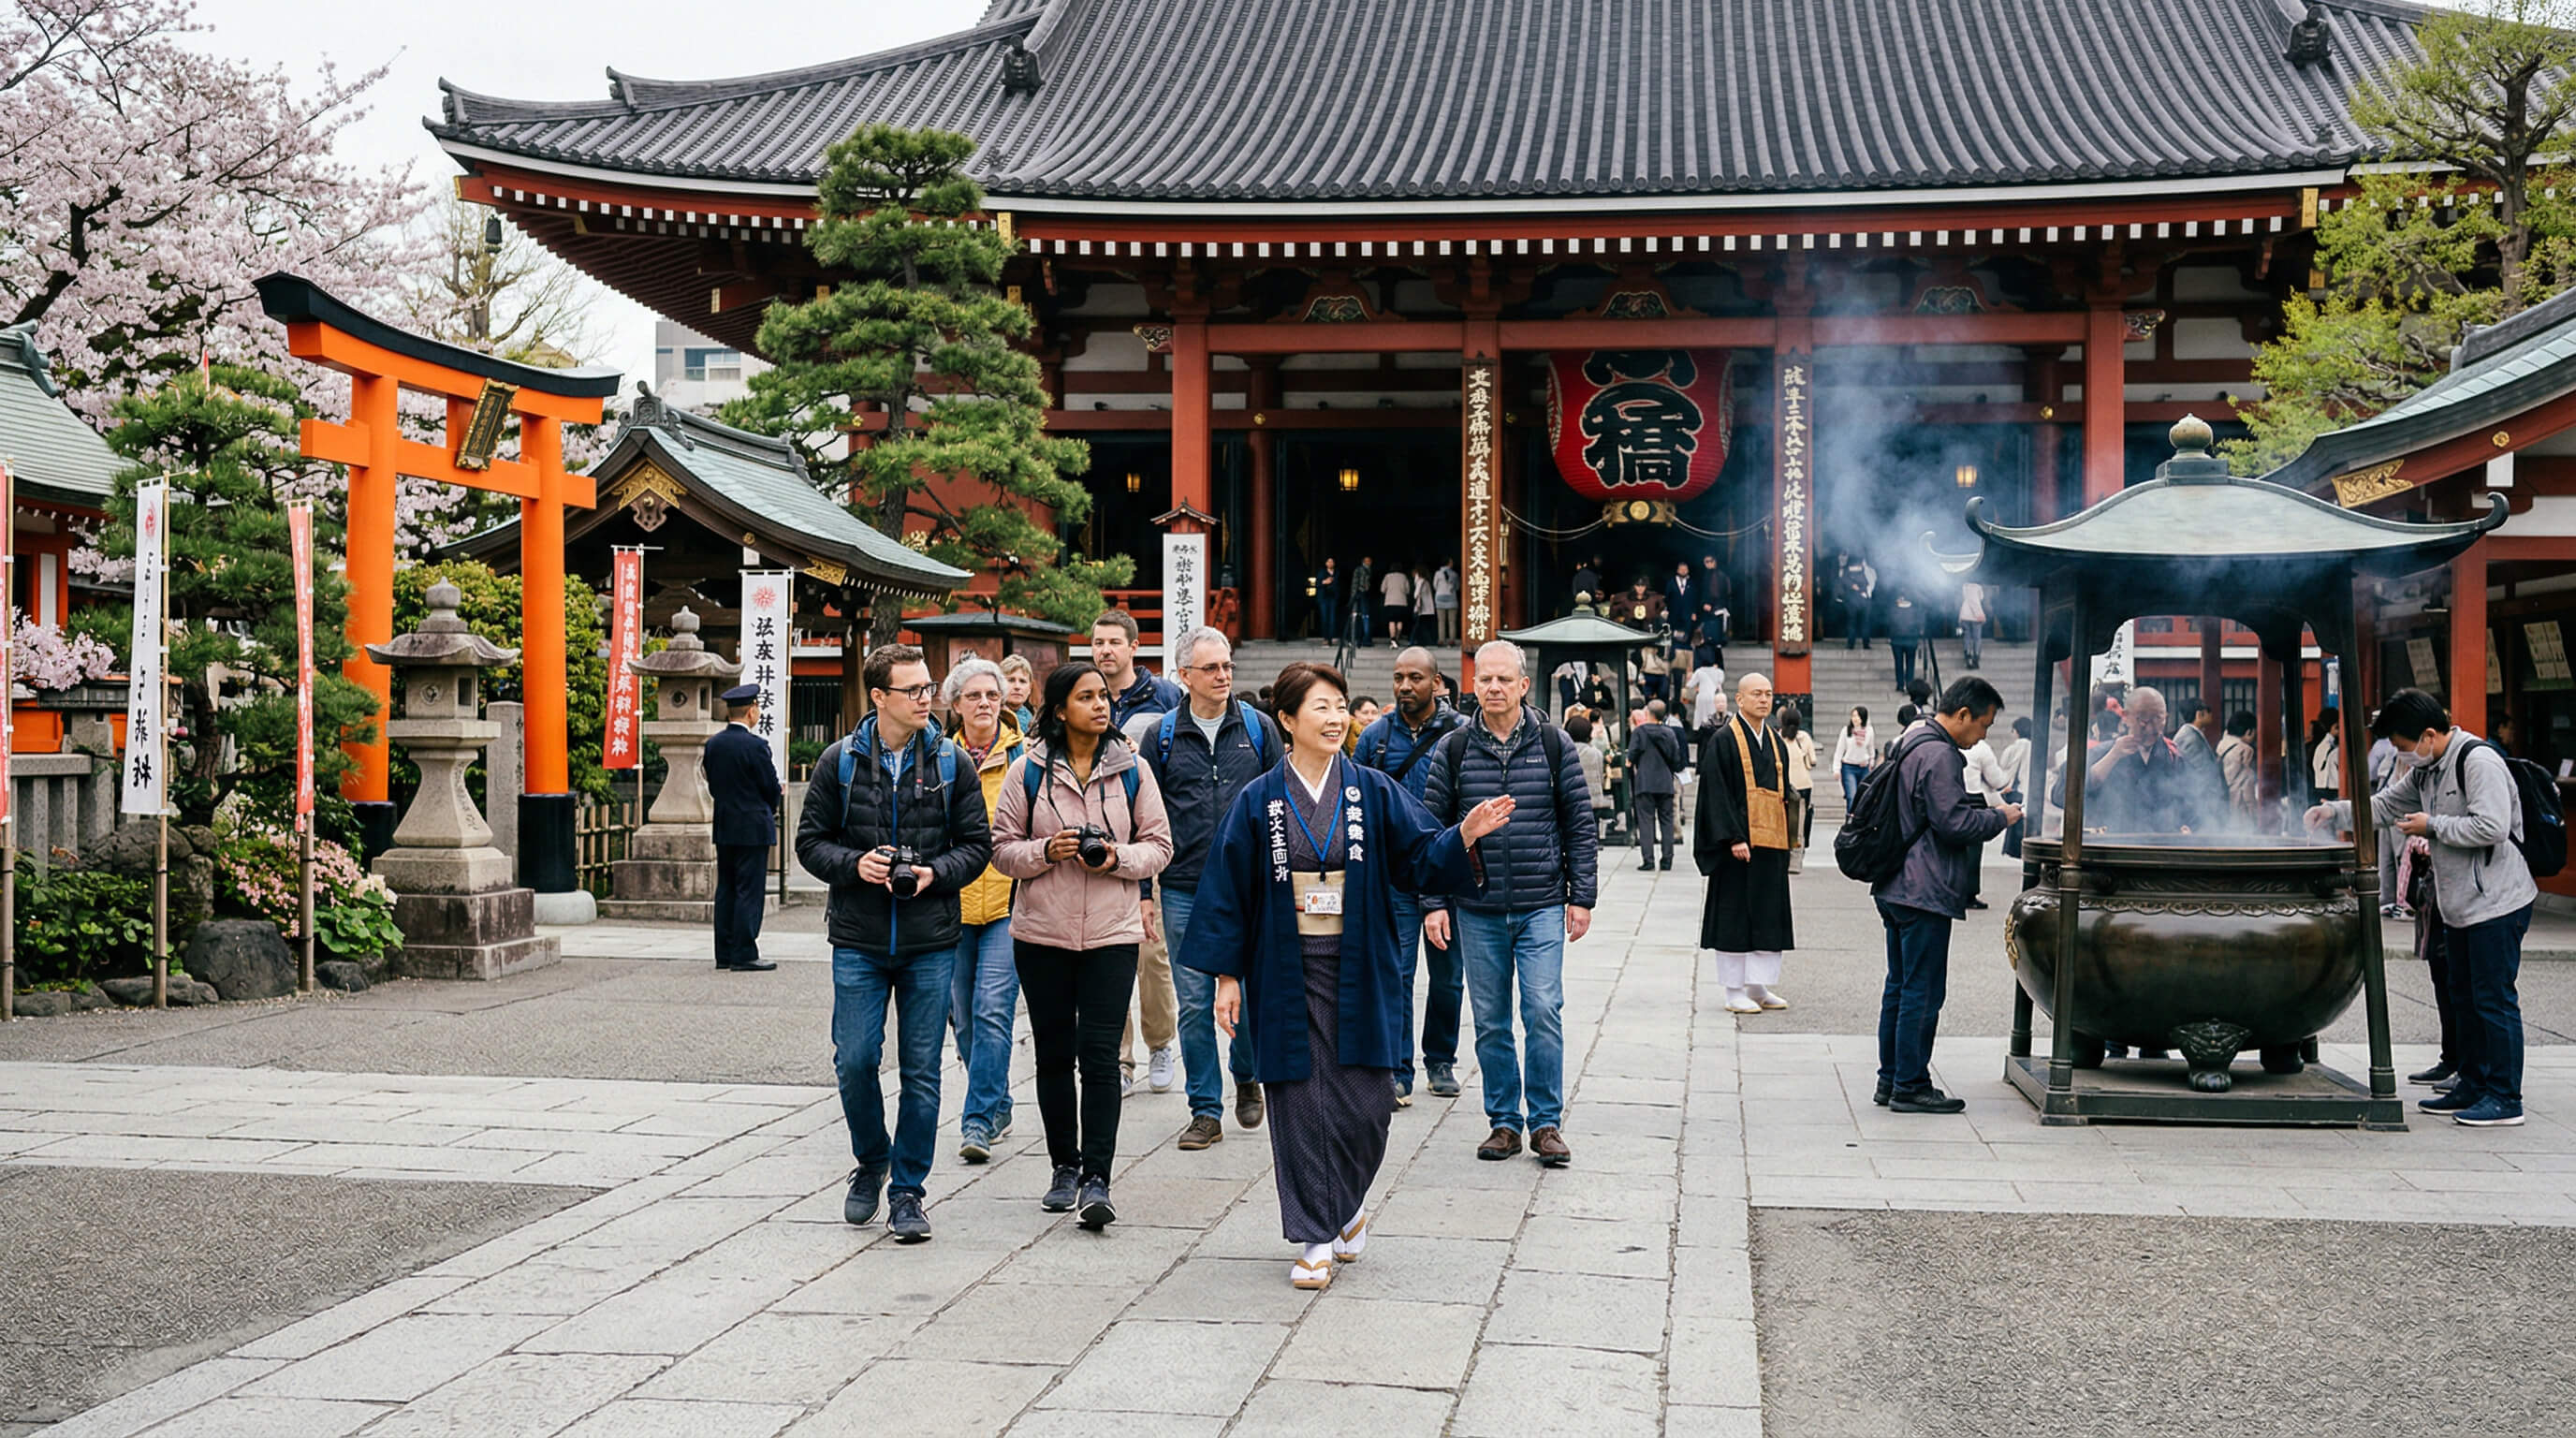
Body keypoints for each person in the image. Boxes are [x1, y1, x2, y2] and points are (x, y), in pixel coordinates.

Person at [1184, 662, 1516, 1290]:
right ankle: (1314, 1235)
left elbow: (1420, 855)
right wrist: (1226, 977)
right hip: (1285, 970)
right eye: (1322, 708)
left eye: (1341, 706)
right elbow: (1227, 890)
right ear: (1287, 720)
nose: (1337, 718)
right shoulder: (1259, 801)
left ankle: (1350, 1203)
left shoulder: (1370, 789)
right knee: (1300, 1104)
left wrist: (1462, 836)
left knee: (1368, 1106)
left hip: (1360, 965)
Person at [798, 644, 995, 1242]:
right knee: (854, 1060)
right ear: (878, 697)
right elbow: (810, 842)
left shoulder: (952, 763)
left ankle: (909, 1190)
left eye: (928, 687)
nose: (925, 698)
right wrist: (855, 865)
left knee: (921, 1071)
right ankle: (871, 1159)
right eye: (912, 690)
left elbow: (977, 844)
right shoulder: (841, 762)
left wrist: (937, 873)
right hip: (858, 936)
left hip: (930, 937)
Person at [992, 661, 1176, 1226]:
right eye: (1087, 696)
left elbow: (1160, 845)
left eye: (1104, 696)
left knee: (1099, 1058)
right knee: (1052, 1055)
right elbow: (1001, 849)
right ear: (1060, 708)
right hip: (1041, 934)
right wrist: (1048, 851)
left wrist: (1115, 858)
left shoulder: (1133, 770)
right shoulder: (1027, 770)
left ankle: (1098, 1177)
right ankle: (1062, 1167)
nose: (1101, 705)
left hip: (1111, 936)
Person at [2312, 689, 2533, 1126]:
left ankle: (2506, 1097)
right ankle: (2471, 1083)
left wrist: (2432, 825)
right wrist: (2335, 813)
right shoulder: (2427, 769)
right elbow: (2388, 803)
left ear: (2429, 735)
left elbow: (2492, 826)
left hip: (2498, 900)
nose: (2402, 755)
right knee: (2464, 997)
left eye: (2402, 746)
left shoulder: (2479, 762)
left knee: (2494, 999)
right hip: (2460, 902)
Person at [1424, 639, 1598, 1167]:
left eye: (1504, 679)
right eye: (1484, 679)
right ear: (1472, 685)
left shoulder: (1552, 743)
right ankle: (1503, 1122)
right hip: (1476, 907)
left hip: (1542, 901)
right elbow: (1430, 830)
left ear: (1524, 685)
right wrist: (1434, 901)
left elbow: (1579, 823)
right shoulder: (1453, 749)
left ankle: (1546, 1122)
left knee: (1543, 1010)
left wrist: (1581, 896)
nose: (1493, 688)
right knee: (1493, 1019)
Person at [1124, 625, 1282, 1151]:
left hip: (1251, 886)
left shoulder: (1258, 730)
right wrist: (1145, 894)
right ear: (1184, 675)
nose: (1223, 676)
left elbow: (1280, 808)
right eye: (1211, 668)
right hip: (1185, 883)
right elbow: (1145, 821)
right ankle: (1205, 1109)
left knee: (1253, 996)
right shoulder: (1162, 736)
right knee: (1193, 1002)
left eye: (1228, 666)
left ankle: (1247, 1073)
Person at [1870, 679, 2020, 1114]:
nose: (1983, 736)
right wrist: (2000, 816)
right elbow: (1952, 824)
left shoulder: (1909, 738)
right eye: (1983, 725)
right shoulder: (1940, 753)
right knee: (1922, 989)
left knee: (1898, 985)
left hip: (1896, 879)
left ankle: (1890, 1078)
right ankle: (1911, 1084)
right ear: (1963, 714)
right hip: (1923, 886)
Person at [1354, 647, 1471, 1102]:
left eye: (1416, 678)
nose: (1405, 686)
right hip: (1394, 874)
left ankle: (1440, 1059)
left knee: (1447, 975)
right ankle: (1397, 1068)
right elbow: (1357, 798)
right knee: (1396, 973)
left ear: (1437, 683)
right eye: (1399, 677)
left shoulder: (1460, 734)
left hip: (1446, 869)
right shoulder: (1375, 737)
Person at [1090, 608, 1184, 1092]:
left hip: (1148, 837)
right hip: (1097, 839)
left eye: (1113, 642)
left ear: (1133, 646)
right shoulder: (1082, 692)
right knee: (1106, 952)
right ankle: (1120, 1058)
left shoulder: (1166, 698)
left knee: (1152, 950)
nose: (1104, 650)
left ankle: (1161, 1042)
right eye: (1097, 642)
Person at [941, 660, 1026, 1164]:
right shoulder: (938, 757)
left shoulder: (1024, 756)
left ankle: (976, 1120)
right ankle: (999, 1101)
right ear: (955, 705)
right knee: (964, 1020)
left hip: (1008, 902)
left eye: (992, 695)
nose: (985, 704)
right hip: (950, 902)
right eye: (973, 696)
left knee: (993, 1010)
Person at [1696, 674, 1796, 1014]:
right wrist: (1734, 836)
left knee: (1768, 913)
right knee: (1735, 915)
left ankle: (1758, 985)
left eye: (1769, 694)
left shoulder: (1776, 742)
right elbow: (1715, 792)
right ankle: (1733, 990)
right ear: (1739, 700)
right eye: (1756, 694)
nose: (1764, 700)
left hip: (1770, 845)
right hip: (1736, 847)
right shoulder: (1723, 740)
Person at [706, 681, 783, 973]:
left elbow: (713, 785)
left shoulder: (713, 745)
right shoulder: (756, 746)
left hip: (725, 823)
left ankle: (723, 952)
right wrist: (771, 806)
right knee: (749, 890)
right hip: (753, 825)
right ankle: (744, 952)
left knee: (726, 887)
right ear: (751, 711)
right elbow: (769, 786)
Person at [2084, 686, 2197, 833]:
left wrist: (2190, 828)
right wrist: (2113, 756)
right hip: (2114, 847)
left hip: (2163, 847)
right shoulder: (2104, 752)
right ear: (2125, 716)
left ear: (2166, 716)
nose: (2151, 728)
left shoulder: (2175, 757)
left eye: (2158, 718)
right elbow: (2063, 795)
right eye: (2143, 720)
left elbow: (2197, 804)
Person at [1959, 726, 2013, 911]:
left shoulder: (1946, 743)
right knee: (1972, 852)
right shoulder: (1980, 747)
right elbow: (1998, 780)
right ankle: (1968, 894)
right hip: (1973, 800)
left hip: (1949, 797)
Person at [1629, 698, 1686, 873]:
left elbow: (1632, 756)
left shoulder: (1640, 732)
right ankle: (1667, 859)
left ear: (1648, 714)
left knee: (1646, 821)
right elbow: (1676, 759)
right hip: (1665, 782)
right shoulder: (1669, 733)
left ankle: (1648, 860)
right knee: (1667, 821)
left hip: (1645, 781)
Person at [1778, 705, 1820, 869]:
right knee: (1799, 824)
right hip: (1803, 785)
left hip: (1783, 785)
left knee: (1783, 823)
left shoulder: (1777, 738)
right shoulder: (1804, 738)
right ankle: (1795, 862)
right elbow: (1812, 762)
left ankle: (1783, 857)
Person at [1998, 716, 2033, 860]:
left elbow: (2003, 766)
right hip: (2028, 787)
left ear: (2017, 731)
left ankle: (2012, 849)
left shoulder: (2012, 749)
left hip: (2012, 789)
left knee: (2013, 820)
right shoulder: (2034, 747)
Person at [2217, 710, 2259, 824]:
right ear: (2249, 732)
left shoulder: (2222, 746)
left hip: (2224, 807)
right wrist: (2254, 815)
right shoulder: (2245, 751)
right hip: (2240, 811)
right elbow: (2246, 787)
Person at [1835, 707, 1875, 811]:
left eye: (1857, 716)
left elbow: (1871, 749)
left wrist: (1871, 762)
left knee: (1863, 797)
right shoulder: (1846, 731)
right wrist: (1836, 768)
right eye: (1853, 716)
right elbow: (1839, 751)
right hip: (1849, 767)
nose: (1855, 719)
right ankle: (1850, 821)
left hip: (1864, 767)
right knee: (1851, 796)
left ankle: (1860, 822)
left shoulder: (1869, 731)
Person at [1685, 658, 1729, 745]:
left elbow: (1690, 684)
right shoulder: (1719, 672)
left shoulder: (1699, 671)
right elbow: (1721, 681)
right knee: (1712, 715)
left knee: (1700, 716)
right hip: (1713, 696)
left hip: (1701, 696)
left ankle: (1699, 734)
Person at [1887, 586, 1923, 692]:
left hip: (1896, 640)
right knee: (1910, 663)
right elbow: (1919, 625)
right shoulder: (1916, 611)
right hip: (1911, 640)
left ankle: (1900, 684)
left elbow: (1889, 624)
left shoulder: (1893, 610)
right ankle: (1909, 684)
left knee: (1898, 663)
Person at [1838, 556, 1875, 650]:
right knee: (1861, 622)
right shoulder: (1865, 570)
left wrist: (1854, 586)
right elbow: (1870, 583)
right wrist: (1858, 588)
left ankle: (1853, 644)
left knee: (1854, 622)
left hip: (1856, 598)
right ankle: (1863, 644)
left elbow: (1844, 580)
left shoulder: (1849, 571)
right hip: (1861, 598)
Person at [999, 653, 1038, 738]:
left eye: (1022, 681)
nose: (1017, 686)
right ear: (999, 684)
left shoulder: (1033, 722)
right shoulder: (990, 715)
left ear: (1030, 688)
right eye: (1011, 680)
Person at [2308, 707, 2343, 801]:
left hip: (2320, 789)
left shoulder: (2320, 747)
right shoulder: (2334, 749)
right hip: (2332, 790)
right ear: (2335, 726)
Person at [1380, 562, 1412, 646]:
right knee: (1400, 621)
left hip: (1390, 602)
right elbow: (1407, 590)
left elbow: (1382, 589)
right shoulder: (1404, 577)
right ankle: (1397, 638)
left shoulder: (1388, 576)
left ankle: (1393, 639)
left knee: (1391, 621)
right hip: (1402, 602)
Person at [1956, 580, 1986, 669]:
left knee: (1967, 636)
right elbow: (1976, 601)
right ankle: (1975, 658)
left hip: (1965, 615)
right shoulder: (1977, 587)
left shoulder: (1964, 586)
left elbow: (1966, 599)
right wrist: (1980, 615)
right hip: (1975, 617)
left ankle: (1968, 656)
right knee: (1977, 638)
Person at [1314, 557, 1341, 643]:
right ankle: (1325, 638)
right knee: (1325, 618)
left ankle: (1332, 637)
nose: (1330, 563)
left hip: (1333, 597)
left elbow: (1339, 585)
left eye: (1332, 561)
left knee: (1332, 618)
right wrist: (1324, 582)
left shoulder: (1337, 572)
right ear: (1326, 563)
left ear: (1334, 563)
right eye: (1328, 562)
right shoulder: (1322, 572)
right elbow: (1317, 583)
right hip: (1323, 598)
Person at [1434, 558, 1460, 645]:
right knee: (1452, 621)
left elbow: (1435, 586)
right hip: (1452, 599)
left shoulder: (1437, 574)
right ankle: (1452, 640)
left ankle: (1441, 640)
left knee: (1441, 621)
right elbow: (1457, 587)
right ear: (1449, 563)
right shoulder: (1454, 574)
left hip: (1440, 598)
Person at [1413, 563, 1437, 642]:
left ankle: (1414, 641)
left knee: (1418, 625)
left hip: (1422, 608)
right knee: (1425, 626)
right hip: (1428, 608)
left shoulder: (1420, 581)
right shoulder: (1426, 581)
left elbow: (1416, 595)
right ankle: (1427, 640)